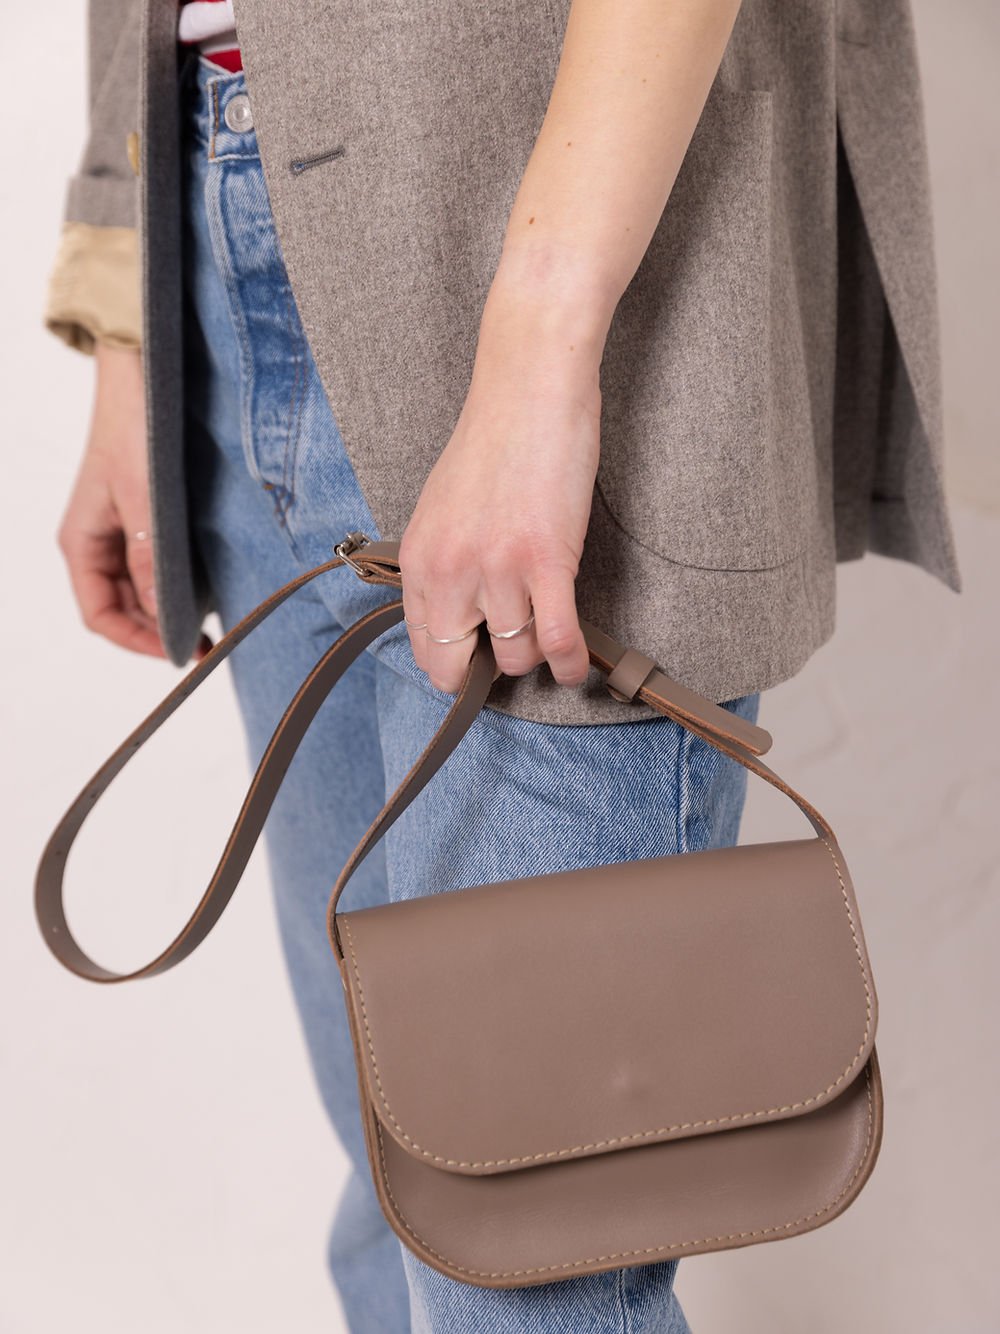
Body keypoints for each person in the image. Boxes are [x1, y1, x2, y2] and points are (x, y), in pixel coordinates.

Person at [43, 1, 961, 1330]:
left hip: (582, 243)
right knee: (401, 1188)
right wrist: (127, 325)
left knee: (523, 1274)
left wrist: (543, 349)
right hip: (217, 227)